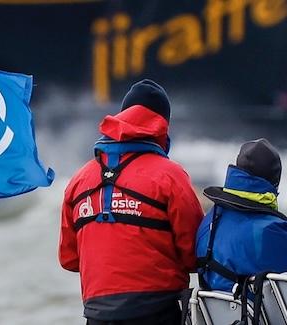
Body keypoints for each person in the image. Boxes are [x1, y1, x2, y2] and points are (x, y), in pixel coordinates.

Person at [59, 79, 205, 325]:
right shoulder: (171, 175)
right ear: (162, 126)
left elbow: (69, 259)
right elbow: (194, 255)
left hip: (97, 315)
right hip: (158, 312)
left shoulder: (79, 179)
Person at [195, 138, 287, 294]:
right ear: (275, 182)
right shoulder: (267, 229)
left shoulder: (210, 219)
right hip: (251, 315)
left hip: (213, 315)